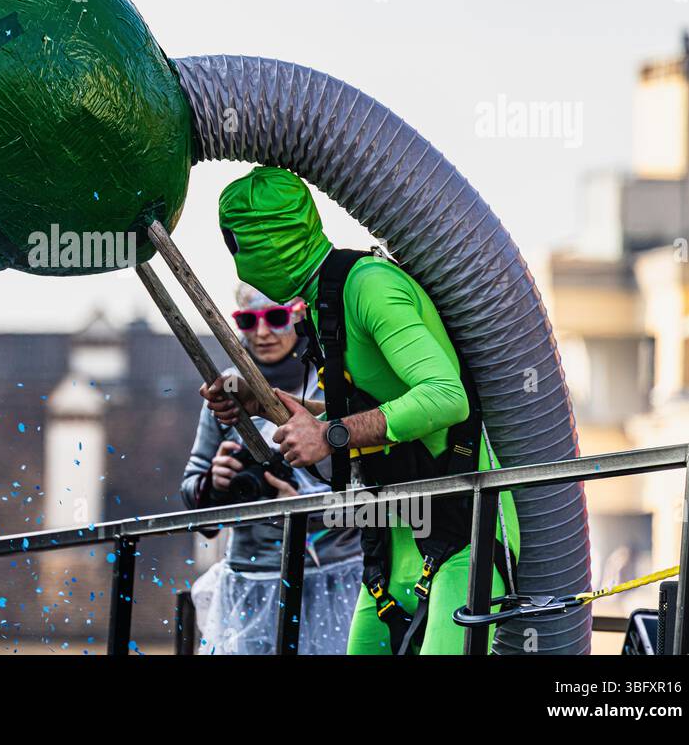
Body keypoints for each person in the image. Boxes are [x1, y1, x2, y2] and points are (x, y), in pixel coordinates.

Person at [202, 166, 520, 655]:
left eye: (237, 246)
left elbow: (444, 396)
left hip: (464, 527)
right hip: (391, 538)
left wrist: (328, 436)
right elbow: (366, 411)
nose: (239, 264)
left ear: (265, 240)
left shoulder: (368, 287)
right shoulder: (322, 304)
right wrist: (260, 402)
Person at [181, 282, 362, 655]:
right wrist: (216, 484)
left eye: (275, 318)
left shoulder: (337, 378)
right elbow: (196, 505)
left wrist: (304, 508)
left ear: (297, 316)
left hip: (339, 580)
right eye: (248, 320)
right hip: (252, 582)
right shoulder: (227, 388)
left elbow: (378, 492)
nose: (262, 332)